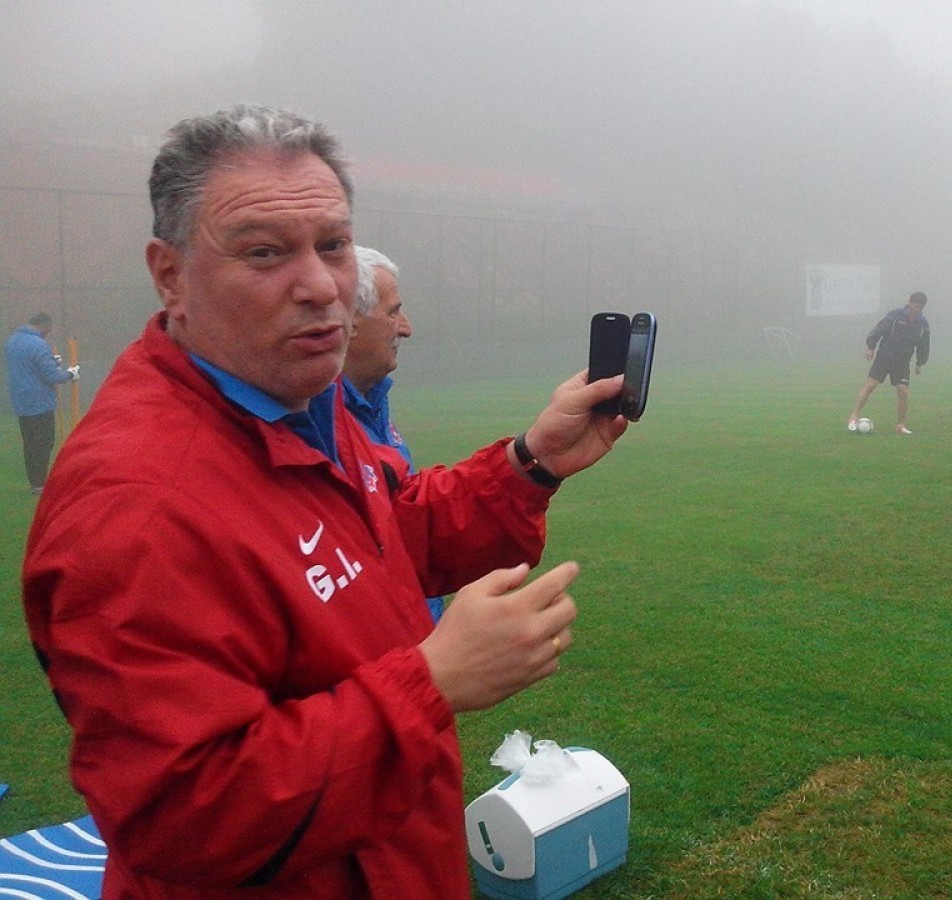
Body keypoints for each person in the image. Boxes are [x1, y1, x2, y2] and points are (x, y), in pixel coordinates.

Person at [22, 104, 630, 899]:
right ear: (170, 275)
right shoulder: (134, 507)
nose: (319, 286)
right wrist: (432, 682)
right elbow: (183, 815)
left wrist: (530, 464)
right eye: (264, 252)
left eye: (333, 245)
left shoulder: (298, 399)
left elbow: (378, 542)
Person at [343, 244, 445, 622]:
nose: (406, 327)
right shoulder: (315, 429)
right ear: (348, 322)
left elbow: (409, 532)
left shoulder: (373, 403)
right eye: (392, 312)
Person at [4, 312, 80, 494]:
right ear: (43, 325)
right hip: (40, 403)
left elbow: (30, 366)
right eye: (49, 329)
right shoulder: (39, 344)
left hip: (21, 402)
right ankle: (40, 484)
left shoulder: (12, 341)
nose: (49, 332)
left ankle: (35, 483)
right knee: (44, 443)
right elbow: (51, 376)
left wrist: (52, 361)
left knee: (30, 444)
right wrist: (70, 374)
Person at [846, 291, 930, 435]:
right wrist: (871, 347)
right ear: (909, 302)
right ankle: (853, 417)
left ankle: (900, 425)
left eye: (920, 308)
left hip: (903, 361)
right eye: (915, 306)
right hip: (885, 356)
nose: (917, 310)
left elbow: (924, 344)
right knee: (871, 385)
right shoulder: (895, 316)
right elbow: (878, 330)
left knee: (903, 391)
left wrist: (919, 362)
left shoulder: (923, 323)